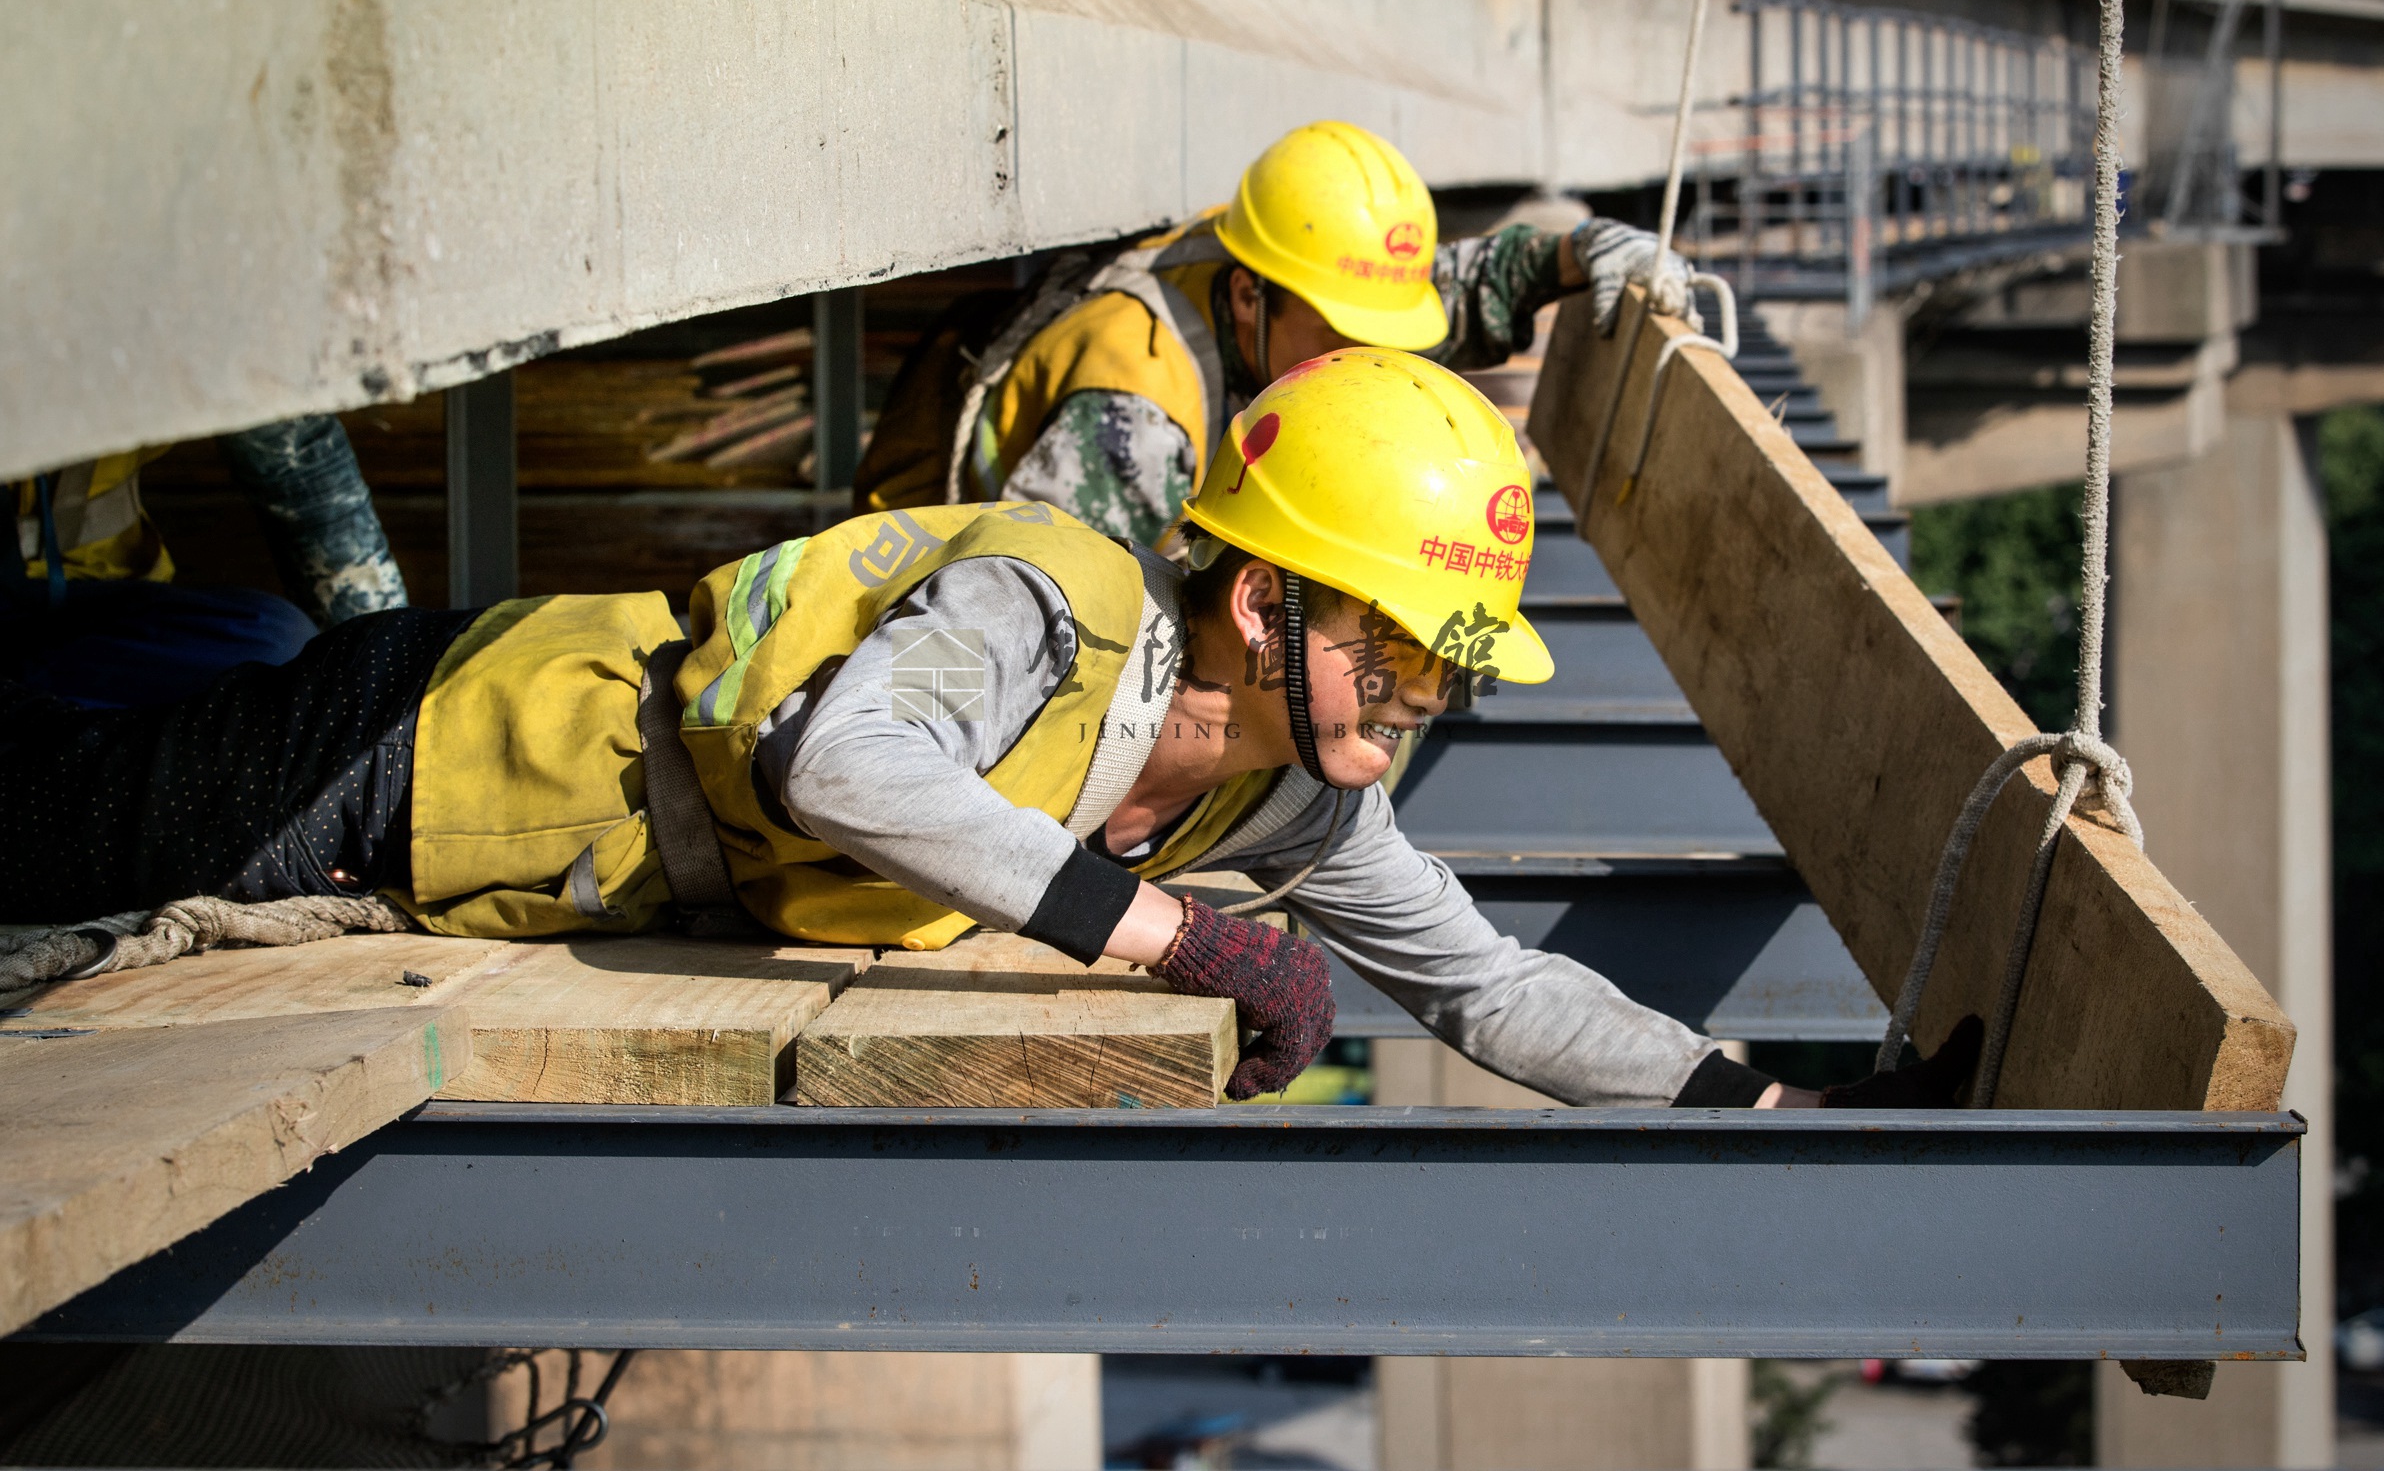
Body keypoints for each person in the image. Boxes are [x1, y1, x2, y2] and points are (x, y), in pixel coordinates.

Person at [0, 351, 1968, 1107]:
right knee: (36, 838)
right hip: (415, 751)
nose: (1419, 714)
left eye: (1451, 680)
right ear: (1270, 601)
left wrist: (1757, 1095)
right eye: (1403, 659)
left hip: (467, 878)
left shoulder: (1281, 807)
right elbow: (841, 763)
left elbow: (1494, 988)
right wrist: (1168, 938)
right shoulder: (1056, 593)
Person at [851, 120, 1684, 546]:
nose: (1364, 363)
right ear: (1249, 296)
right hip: (964, 607)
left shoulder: (1276, 265)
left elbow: (1450, 293)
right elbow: (1061, 621)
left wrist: (1580, 252)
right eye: (1342, 335)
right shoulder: (1135, 410)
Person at [7, 414, 408, 707]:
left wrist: (385, 685)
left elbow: (301, 463)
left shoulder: (179, 307)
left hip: (96, 595)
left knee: (276, 651)